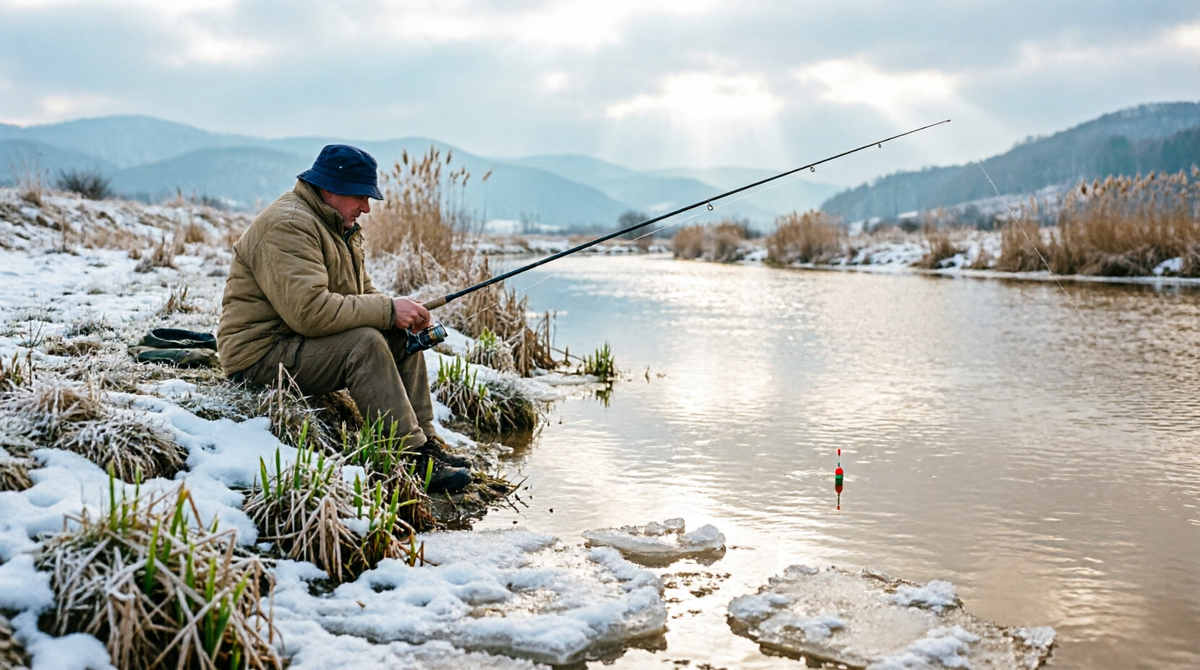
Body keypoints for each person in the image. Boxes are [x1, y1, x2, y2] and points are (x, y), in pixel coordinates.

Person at [217, 144, 472, 493]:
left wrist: (401, 312)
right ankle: (408, 460)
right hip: (260, 356)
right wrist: (386, 310)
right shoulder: (289, 224)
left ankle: (426, 443)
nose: (367, 207)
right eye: (360, 196)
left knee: (398, 335)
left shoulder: (337, 223)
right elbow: (310, 313)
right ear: (329, 188)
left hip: (295, 343)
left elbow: (361, 293)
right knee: (365, 344)